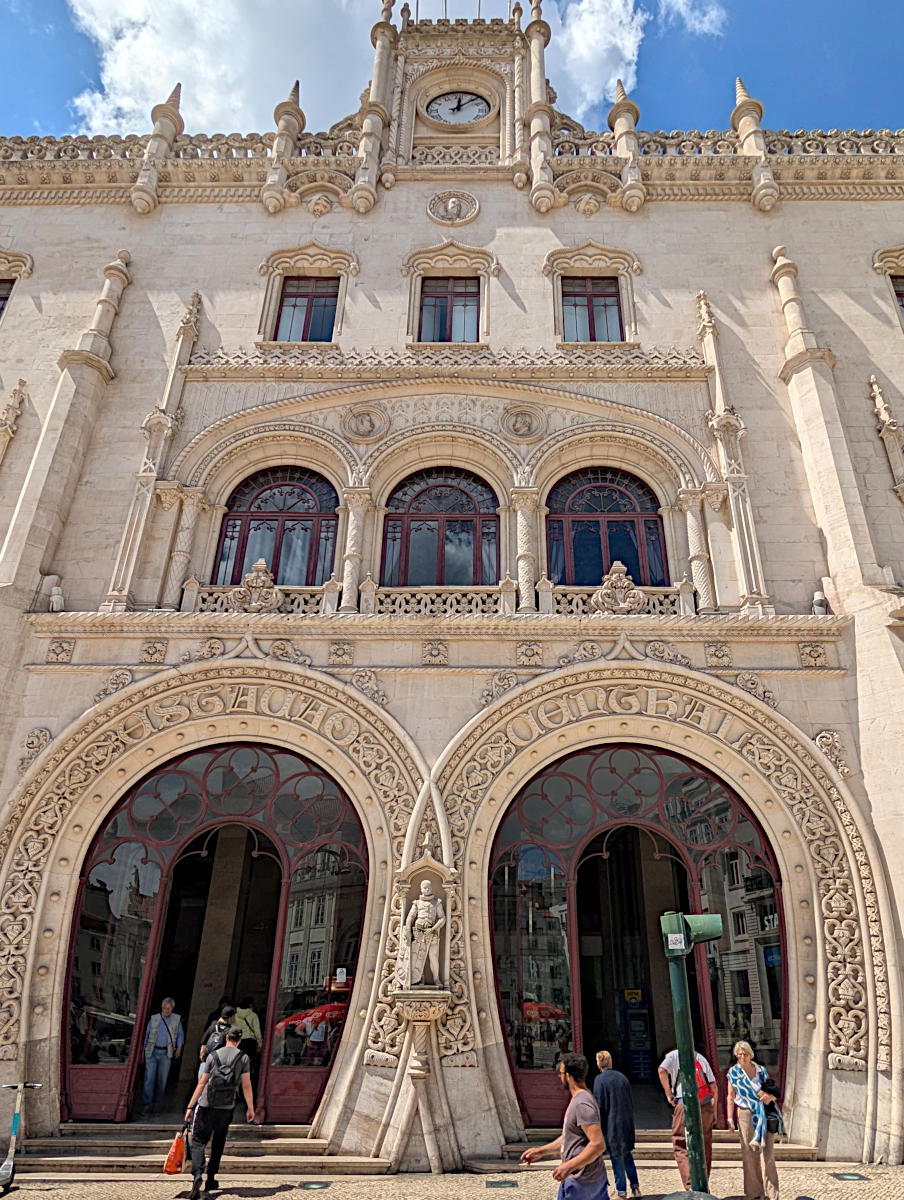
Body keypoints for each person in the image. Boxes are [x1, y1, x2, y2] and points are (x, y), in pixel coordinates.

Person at [520, 1053, 608, 1200]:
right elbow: (569, 1137)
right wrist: (540, 1151)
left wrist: (569, 1166)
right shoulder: (580, 1099)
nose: (559, 1077)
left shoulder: (582, 1103)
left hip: (583, 1183)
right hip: (580, 1181)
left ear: (568, 1076)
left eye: (560, 1073)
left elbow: (598, 1144)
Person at [184, 1025, 254, 1200]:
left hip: (207, 1104)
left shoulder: (212, 1056)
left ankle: (197, 1174)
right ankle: (211, 1178)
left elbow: (202, 1083)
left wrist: (190, 1106)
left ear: (226, 1038)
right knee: (218, 1142)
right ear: (239, 1040)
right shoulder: (243, 1058)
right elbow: (246, 1085)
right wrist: (250, 1108)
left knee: (199, 1141)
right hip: (226, 1107)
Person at [658, 1045, 716, 1192]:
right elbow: (713, 1085)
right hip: (705, 1103)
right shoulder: (700, 1058)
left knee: (680, 1143)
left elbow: (661, 1070)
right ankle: (703, 1183)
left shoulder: (673, 1056)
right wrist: (714, 1112)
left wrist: (668, 1093)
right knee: (705, 1143)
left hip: (684, 1102)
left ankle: (690, 1185)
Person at [727, 1040, 780, 1200]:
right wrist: (730, 1118)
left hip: (764, 1113)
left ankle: (772, 1194)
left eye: (746, 1054)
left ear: (751, 1055)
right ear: (736, 1056)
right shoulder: (733, 1073)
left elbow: (772, 1092)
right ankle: (754, 1193)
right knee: (749, 1155)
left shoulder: (761, 1071)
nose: (743, 1057)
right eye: (740, 1054)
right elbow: (730, 1097)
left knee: (768, 1154)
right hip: (744, 1114)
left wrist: (769, 1097)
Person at [593, 1051, 640, 1199]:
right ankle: (635, 1187)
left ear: (599, 1063)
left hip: (612, 1125)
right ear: (610, 1061)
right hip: (626, 1123)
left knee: (616, 1158)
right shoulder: (622, 1078)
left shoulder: (599, 1080)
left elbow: (599, 1105)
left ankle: (621, 1191)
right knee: (627, 1156)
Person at [141, 997, 183, 1113]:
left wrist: (179, 1047)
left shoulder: (176, 1019)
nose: (166, 1010)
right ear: (162, 1007)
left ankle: (158, 1103)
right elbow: (147, 1034)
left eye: (168, 1008)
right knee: (149, 1078)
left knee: (162, 1080)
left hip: (166, 1053)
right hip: (152, 1051)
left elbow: (180, 1034)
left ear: (172, 1008)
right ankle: (147, 1104)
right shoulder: (154, 1018)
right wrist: (143, 1050)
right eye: (164, 1008)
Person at [198, 1005, 236, 1081]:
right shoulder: (231, 1031)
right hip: (219, 1065)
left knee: (201, 1085)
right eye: (234, 1016)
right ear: (230, 1017)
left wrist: (202, 1058)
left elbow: (203, 1043)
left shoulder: (212, 1027)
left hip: (206, 1061)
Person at [234, 996, 262, 1082]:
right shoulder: (253, 1015)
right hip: (250, 1042)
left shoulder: (235, 1015)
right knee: (248, 1065)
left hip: (238, 1041)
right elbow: (257, 1031)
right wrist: (260, 1043)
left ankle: (236, 1083)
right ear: (250, 1005)